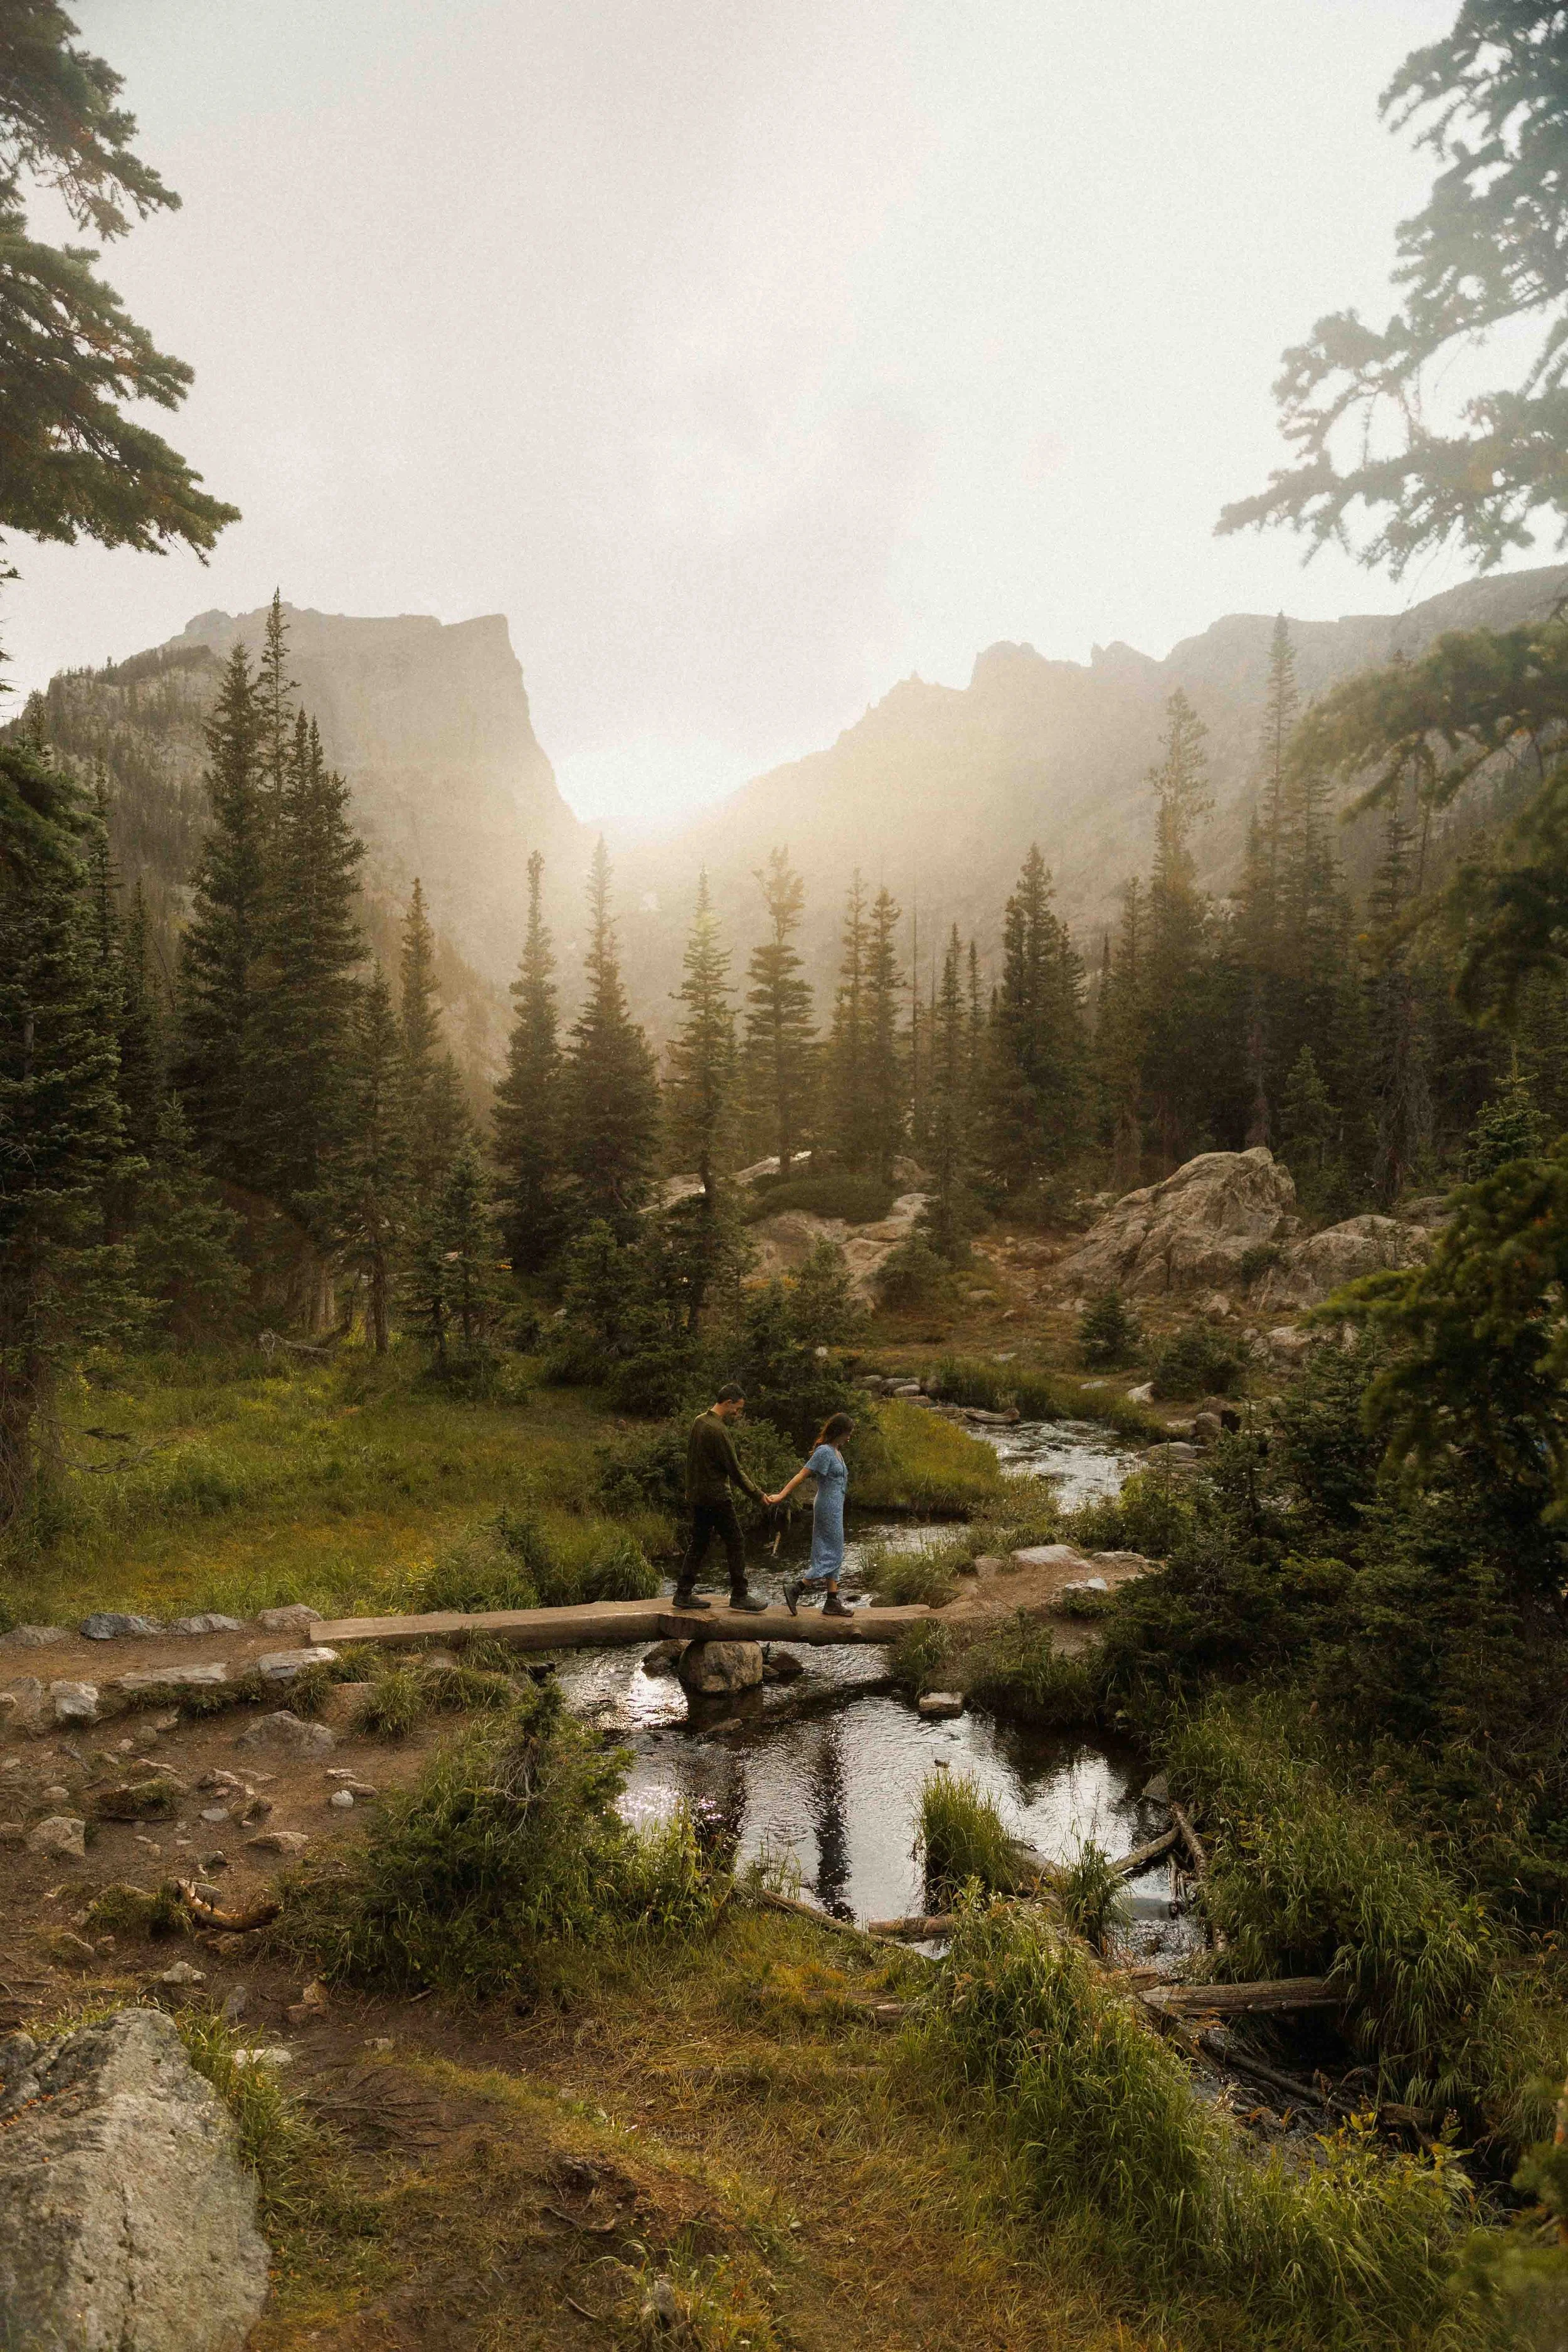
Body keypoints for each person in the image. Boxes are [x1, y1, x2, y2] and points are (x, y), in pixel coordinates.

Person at [675, 1384, 768, 1613]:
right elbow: (735, 1470)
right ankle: (740, 1595)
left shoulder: (699, 1421)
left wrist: (689, 1489)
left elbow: (691, 1460)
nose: (738, 1413)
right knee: (736, 1540)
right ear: (728, 1403)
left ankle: (683, 1593)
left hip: (698, 1495)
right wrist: (759, 1495)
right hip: (716, 1496)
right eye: (737, 1408)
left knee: (699, 1542)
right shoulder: (718, 1431)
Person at [768, 1413, 856, 1618]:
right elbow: (802, 1474)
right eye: (847, 1434)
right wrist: (782, 1495)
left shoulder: (836, 1451)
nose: (849, 1438)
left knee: (834, 1549)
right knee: (834, 1553)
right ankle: (797, 1588)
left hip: (836, 1507)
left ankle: (832, 1601)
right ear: (838, 1432)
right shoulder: (825, 1452)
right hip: (827, 1507)